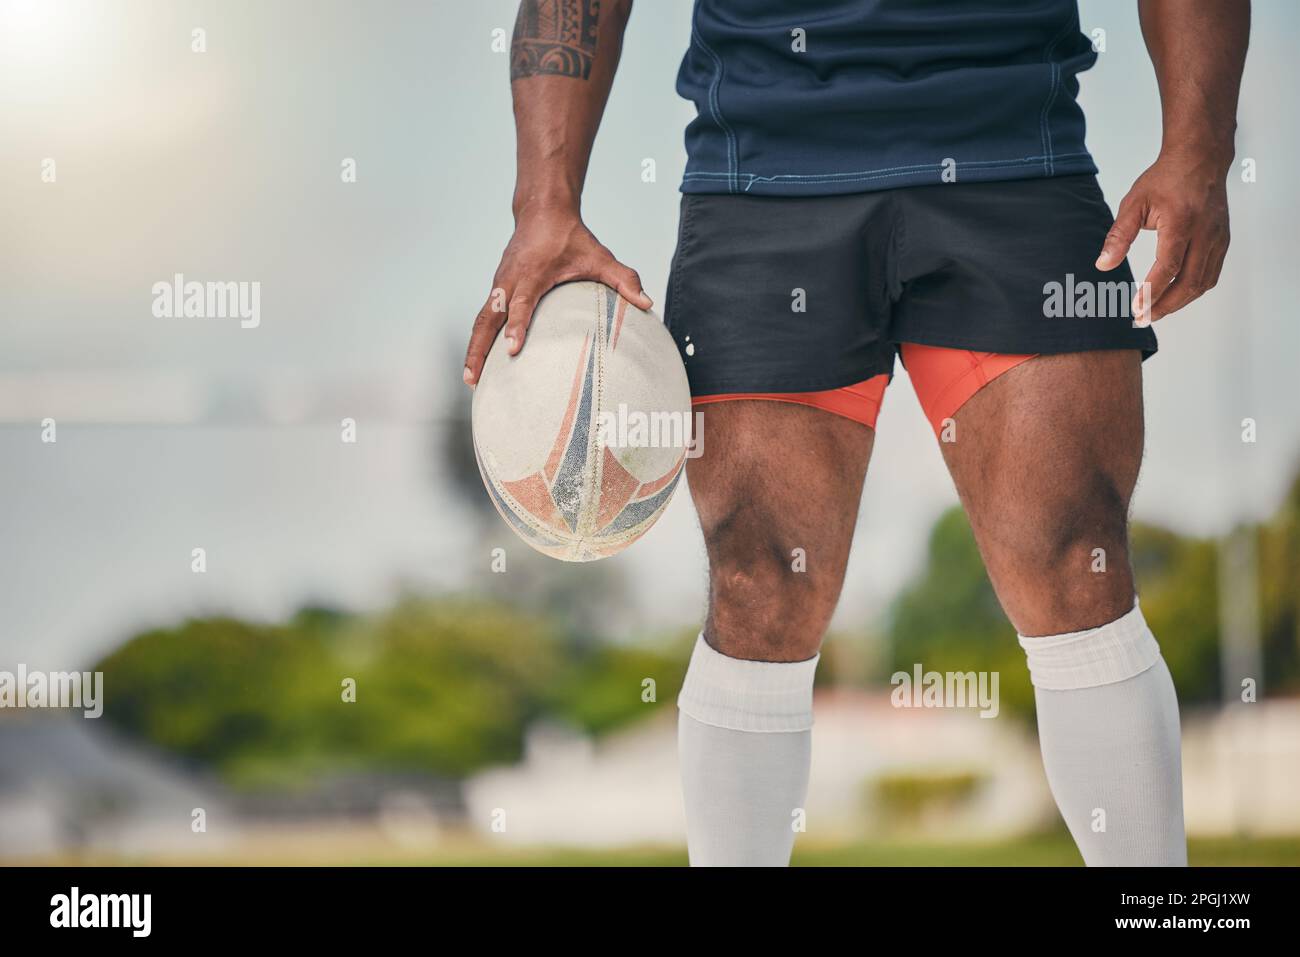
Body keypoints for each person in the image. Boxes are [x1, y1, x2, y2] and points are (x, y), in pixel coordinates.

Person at [464, 0, 1250, 866]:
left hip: (1012, 143)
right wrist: (544, 202)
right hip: (761, 164)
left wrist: (1198, 149)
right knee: (758, 586)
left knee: (1077, 562)